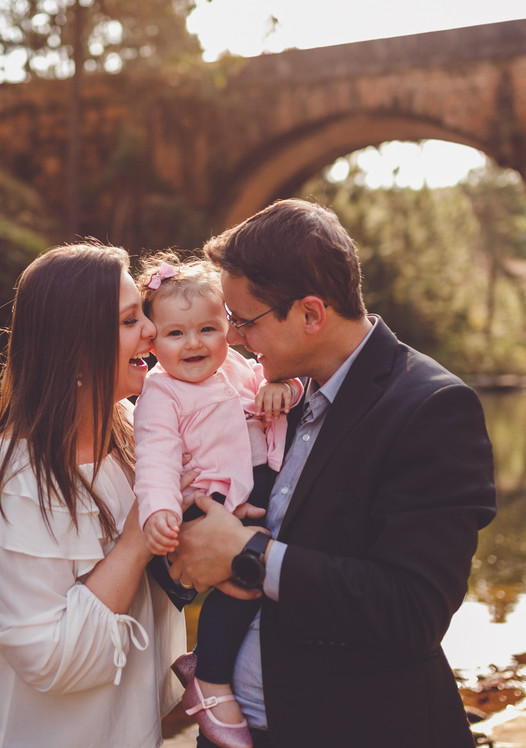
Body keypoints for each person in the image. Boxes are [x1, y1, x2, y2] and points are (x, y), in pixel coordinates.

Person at [167, 199, 498, 748]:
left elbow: (412, 611)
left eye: (245, 322)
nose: (236, 339)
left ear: (311, 315)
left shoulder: (433, 408)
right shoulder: (275, 392)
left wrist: (251, 556)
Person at [0, 242, 185, 748]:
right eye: (128, 320)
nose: (152, 331)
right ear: (75, 347)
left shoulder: (140, 438)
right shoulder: (9, 477)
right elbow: (52, 660)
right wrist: (138, 536)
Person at [132, 252, 300, 748]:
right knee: (240, 580)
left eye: (207, 329)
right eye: (176, 334)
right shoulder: (162, 394)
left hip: (257, 484)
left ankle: (212, 662)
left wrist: (280, 388)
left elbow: (282, 388)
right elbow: (157, 457)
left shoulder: (236, 367)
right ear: (155, 340)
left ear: (228, 329)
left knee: (265, 567)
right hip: (206, 501)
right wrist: (159, 509)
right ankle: (212, 675)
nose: (194, 344)